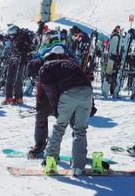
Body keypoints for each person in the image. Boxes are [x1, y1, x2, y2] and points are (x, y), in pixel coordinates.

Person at [39, 46, 94, 175]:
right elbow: (85, 81)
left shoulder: (45, 68)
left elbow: (51, 92)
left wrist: (55, 108)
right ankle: (78, 167)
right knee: (80, 130)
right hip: (87, 93)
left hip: (69, 93)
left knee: (60, 126)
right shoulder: (70, 64)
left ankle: (50, 161)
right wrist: (92, 105)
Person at [4, 25, 32, 105]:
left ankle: (18, 98)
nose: (12, 37)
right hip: (13, 58)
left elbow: (31, 47)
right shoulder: (13, 37)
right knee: (9, 78)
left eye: (13, 35)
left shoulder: (25, 36)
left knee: (18, 79)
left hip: (21, 60)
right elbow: (7, 41)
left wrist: (24, 48)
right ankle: (8, 97)